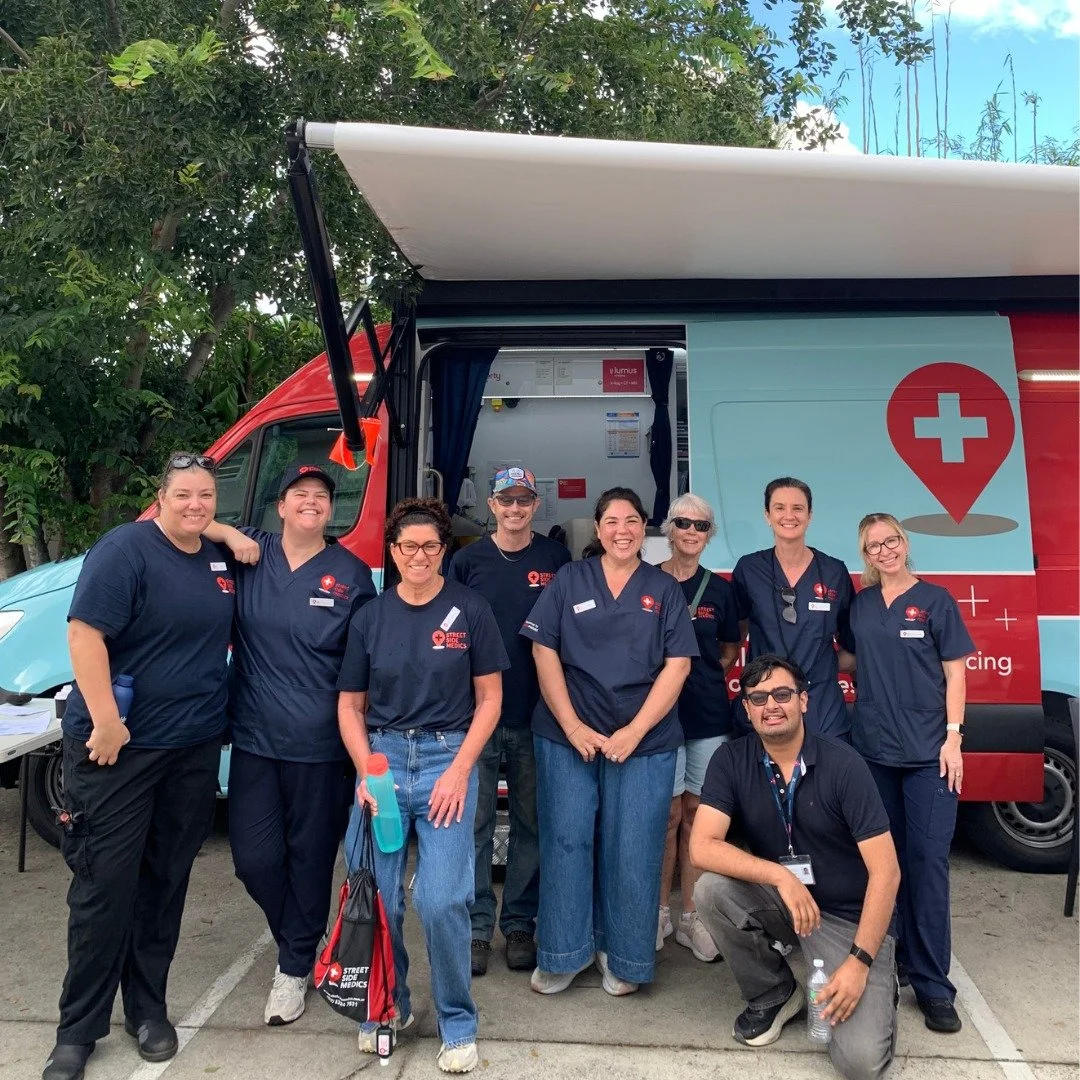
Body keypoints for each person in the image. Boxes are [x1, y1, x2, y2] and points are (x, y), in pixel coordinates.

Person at [43, 453, 245, 1080]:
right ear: (159, 497)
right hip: (118, 751)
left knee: (164, 882)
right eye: (183, 494)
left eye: (206, 496)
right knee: (105, 888)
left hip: (192, 750)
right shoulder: (123, 551)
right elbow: (84, 634)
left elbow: (200, 531)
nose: (195, 505)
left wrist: (225, 532)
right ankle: (77, 1030)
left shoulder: (214, 555)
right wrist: (105, 719)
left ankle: (147, 1010)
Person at [337, 497, 509, 1075]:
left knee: (442, 899)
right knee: (380, 898)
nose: (418, 555)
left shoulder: (471, 610)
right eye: (408, 546)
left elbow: (490, 699)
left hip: (446, 761)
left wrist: (462, 769)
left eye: (430, 546)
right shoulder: (370, 616)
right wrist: (365, 769)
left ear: (443, 552)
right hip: (383, 762)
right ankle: (389, 1005)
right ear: (392, 551)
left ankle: (457, 1021)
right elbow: (350, 705)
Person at [203, 464, 376, 1027]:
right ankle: (305, 938)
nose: (311, 502)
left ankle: (293, 966)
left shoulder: (351, 574)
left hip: (324, 748)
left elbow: (364, 669)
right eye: (299, 494)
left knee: (309, 860)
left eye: (321, 496)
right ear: (280, 506)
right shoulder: (249, 554)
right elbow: (184, 518)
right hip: (254, 739)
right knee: (254, 860)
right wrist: (230, 533)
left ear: (333, 510)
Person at [520, 487, 697, 997]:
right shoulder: (569, 579)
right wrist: (575, 727)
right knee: (567, 839)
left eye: (633, 521)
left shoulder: (662, 590)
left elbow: (678, 665)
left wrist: (634, 732)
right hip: (567, 736)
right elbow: (543, 650)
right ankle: (563, 952)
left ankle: (625, 956)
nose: (623, 530)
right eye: (612, 521)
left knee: (635, 848)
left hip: (643, 742)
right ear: (597, 530)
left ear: (646, 530)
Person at [690, 654, 901, 1080]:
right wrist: (780, 876)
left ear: (804, 700)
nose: (771, 705)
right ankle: (774, 991)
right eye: (758, 697)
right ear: (747, 710)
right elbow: (702, 847)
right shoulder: (731, 760)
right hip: (786, 902)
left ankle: (882, 978)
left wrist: (859, 962)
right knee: (710, 890)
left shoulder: (844, 765)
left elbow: (887, 872)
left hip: (845, 920)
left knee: (859, 1064)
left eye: (782, 694)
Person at [837, 513, 974, 1035]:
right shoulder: (863, 604)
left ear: (905, 543)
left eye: (891, 541)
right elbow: (848, 657)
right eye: (874, 545)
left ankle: (934, 984)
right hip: (874, 752)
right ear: (866, 555)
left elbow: (955, 671)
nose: (884, 551)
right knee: (883, 864)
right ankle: (888, 965)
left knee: (928, 861)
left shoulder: (936, 600)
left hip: (929, 755)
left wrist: (954, 737)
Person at [447, 466, 571, 977]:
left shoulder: (556, 559)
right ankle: (477, 929)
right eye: (506, 500)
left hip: (536, 716)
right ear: (492, 506)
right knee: (473, 826)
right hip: (476, 718)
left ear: (535, 505)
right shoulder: (466, 560)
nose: (515, 508)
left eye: (524, 500)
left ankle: (519, 923)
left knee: (530, 826)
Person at [655, 494, 741, 961]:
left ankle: (691, 915)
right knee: (664, 818)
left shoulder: (721, 591)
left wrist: (701, 674)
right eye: (684, 523)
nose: (692, 532)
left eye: (702, 526)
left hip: (708, 718)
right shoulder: (647, 581)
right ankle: (658, 914)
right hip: (659, 719)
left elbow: (728, 651)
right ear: (670, 529)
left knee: (696, 818)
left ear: (710, 535)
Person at [732, 478, 854, 739]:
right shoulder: (749, 570)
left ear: (810, 515)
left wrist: (824, 665)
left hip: (822, 710)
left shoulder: (834, 572)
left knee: (825, 778)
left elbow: (852, 646)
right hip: (765, 707)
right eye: (779, 507)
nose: (789, 516)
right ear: (767, 515)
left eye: (798, 508)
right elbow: (737, 634)